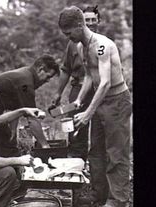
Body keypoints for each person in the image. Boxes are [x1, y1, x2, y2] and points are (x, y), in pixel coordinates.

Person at [58, 6, 132, 207]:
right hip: (100, 102)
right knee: (96, 150)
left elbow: (106, 82)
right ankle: (100, 193)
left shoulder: (101, 45)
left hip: (116, 101)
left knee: (116, 152)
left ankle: (118, 202)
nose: (68, 37)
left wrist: (89, 113)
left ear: (80, 25)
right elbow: (91, 76)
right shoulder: (81, 46)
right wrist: (80, 99)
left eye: (69, 32)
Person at [0, 54, 60, 158]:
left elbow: (17, 107)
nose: (47, 81)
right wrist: (45, 146)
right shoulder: (26, 82)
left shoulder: (27, 74)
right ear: (40, 69)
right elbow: (32, 118)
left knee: (9, 143)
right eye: (48, 77)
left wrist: (13, 129)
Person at [52, 5, 101, 161]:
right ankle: (77, 160)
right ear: (81, 22)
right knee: (75, 126)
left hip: (99, 89)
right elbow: (66, 69)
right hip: (78, 87)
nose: (91, 23)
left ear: (98, 21)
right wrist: (58, 93)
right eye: (88, 20)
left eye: (94, 19)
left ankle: (97, 162)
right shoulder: (73, 43)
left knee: (99, 127)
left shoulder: (103, 43)